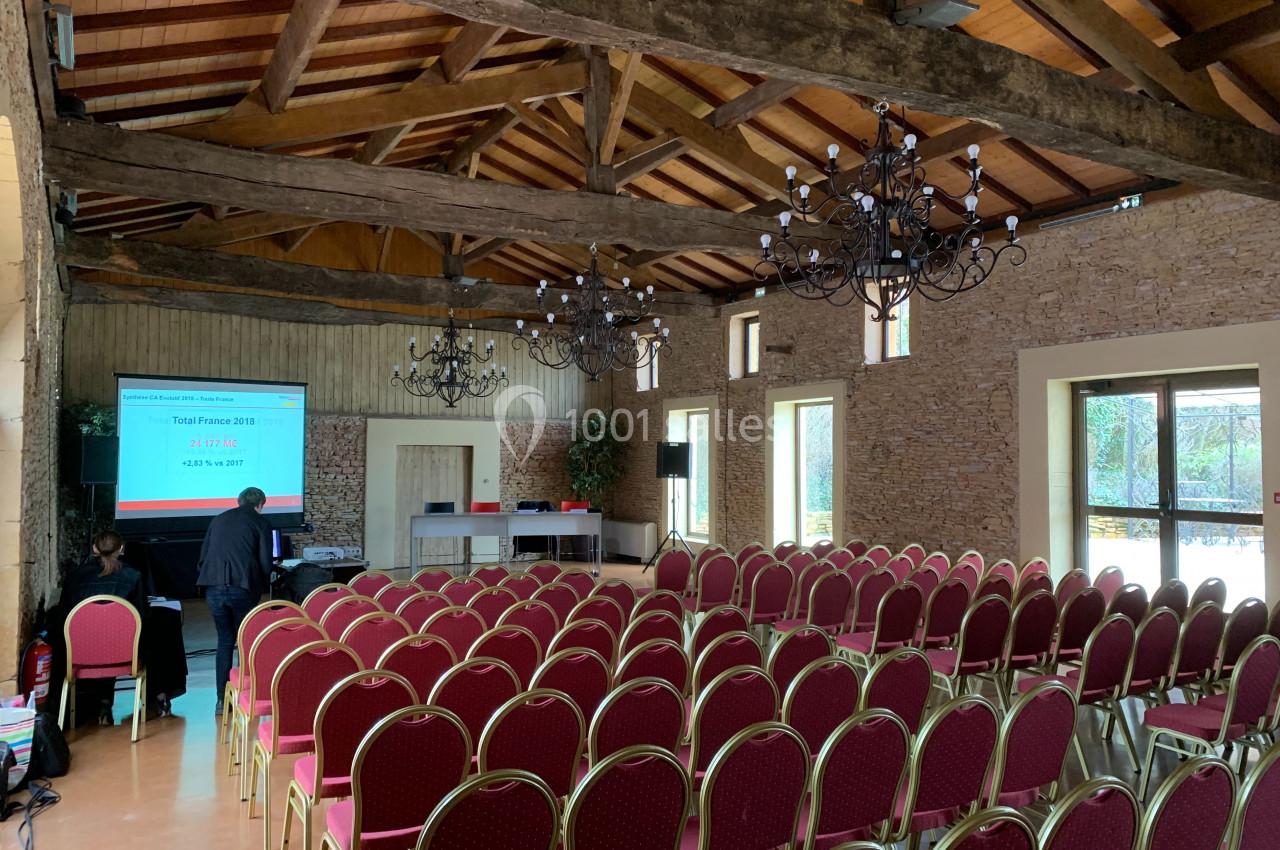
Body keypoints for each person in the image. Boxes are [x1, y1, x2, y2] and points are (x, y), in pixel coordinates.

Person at [57, 529, 148, 725]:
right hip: (125, 655)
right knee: (137, 639)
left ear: (94, 549)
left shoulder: (74, 577)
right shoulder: (133, 576)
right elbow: (141, 619)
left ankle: (99, 704)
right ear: (121, 549)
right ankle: (159, 698)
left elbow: (63, 617)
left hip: (80, 656)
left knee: (99, 638)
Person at [198, 487, 274, 716]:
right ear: (260, 504)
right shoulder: (261, 523)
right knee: (246, 641)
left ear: (239, 501)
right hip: (242, 586)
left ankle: (222, 700)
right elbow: (265, 562)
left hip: (213, 586)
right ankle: (245, 696)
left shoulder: (218, 519)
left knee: (224, 641)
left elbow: (203, 557)